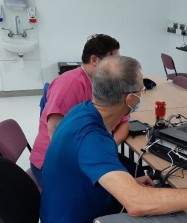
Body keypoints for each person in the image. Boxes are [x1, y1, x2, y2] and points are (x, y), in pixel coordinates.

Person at [40, 55, 187, 223]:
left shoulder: (83, 111)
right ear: (130, 99)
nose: (142, 94)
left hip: (72, 208)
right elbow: (136, 203)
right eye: (141, 89)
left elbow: (79, 169)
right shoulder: (92, 139)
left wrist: (128, 182)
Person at [30, 34, 130, 185]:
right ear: (95, 60)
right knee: (118, 189)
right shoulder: (69, 84)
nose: (118, 67)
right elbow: (56, 135)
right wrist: (98, 154)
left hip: (92, 152)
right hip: (55, 162)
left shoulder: (105, 84)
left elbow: (123, 121)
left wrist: (107, 147)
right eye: (113, 61)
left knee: (132, 173)